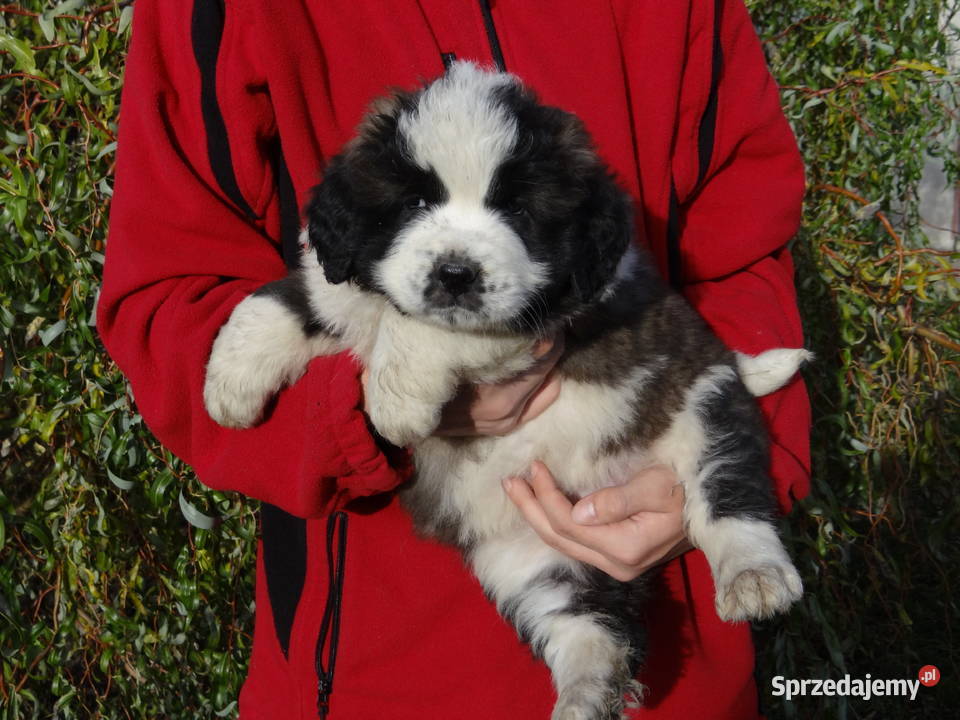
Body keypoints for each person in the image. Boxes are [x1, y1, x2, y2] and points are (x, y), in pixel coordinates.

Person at [97, 1, 810, 718]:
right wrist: (348, 416)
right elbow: (169, 298)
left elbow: (743, 252)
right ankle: (585, 645)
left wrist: (712, 488)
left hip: (683, 677)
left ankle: (604, 645)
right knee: (525, 579)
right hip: (378, 676)